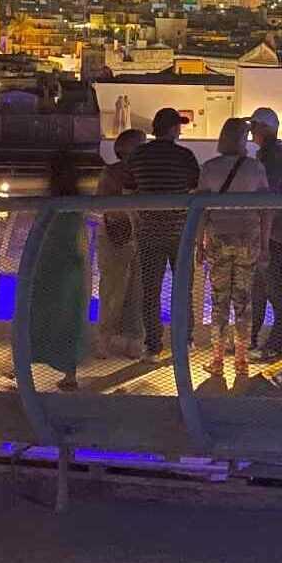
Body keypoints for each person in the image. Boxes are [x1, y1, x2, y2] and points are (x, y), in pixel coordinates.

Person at [196, 118, 270, 381]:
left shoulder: (209, 168)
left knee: (219, 300)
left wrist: (199, 243)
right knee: (243, 300)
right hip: (247, 239)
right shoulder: (255, 168)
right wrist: (264, 242)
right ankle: (241, 360)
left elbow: (201, 210)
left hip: (218, 238)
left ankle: (217, 359)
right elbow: (266, 209)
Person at [127, 108, 201, 360]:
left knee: (150, 291)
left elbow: (130, 186)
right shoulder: (184, 156)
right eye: (178, 125)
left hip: (148, 231)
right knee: (183, 289)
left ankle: (153, 345)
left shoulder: (138, 155)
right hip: (179, 231)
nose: (180, 129)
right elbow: (194, 186)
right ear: (171, 129)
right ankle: (184, 340)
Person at [26, 151, 90, 389]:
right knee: (70, 315)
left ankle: (26, 365)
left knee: (37, 311)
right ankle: (69, 373)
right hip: (71, 265)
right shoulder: (78, 202)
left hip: (47, 264)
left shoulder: (48, 203)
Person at [246, 106, 282, 361]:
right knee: (261, 291)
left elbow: (270, 201)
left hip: (271, 236)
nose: (251, 131)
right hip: (273, 234)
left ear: (265, 128)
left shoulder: (272, 157)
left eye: (254, 126)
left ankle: (270, 345)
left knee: (272, 291)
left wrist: (264, 239)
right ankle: (256, 342)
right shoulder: (278, 155)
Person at [94, 128, 147, 358]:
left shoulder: (113, 173)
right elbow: (103, 204)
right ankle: (115, 340)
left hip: (123, 237)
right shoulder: (115, 174)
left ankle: (124, 340)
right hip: (119, 237)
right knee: (118, 290)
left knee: (129, 290)